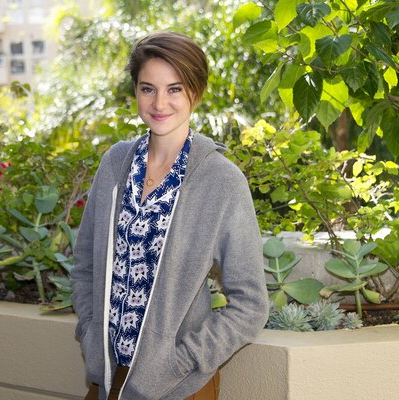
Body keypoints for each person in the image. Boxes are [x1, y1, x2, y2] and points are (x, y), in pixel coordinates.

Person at [70, 31, 269, 400]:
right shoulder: (115, 164)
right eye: (148, 88)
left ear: (196, 91)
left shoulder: (222, 182)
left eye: (174, 89)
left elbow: (251, 305)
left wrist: (182, 362)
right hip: (109, 381)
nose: (160, 102)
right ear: (136, 92)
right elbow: (85, 266)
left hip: (177, 388)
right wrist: (91, 330)